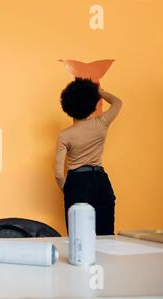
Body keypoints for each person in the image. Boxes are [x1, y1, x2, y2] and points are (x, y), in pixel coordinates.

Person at [55, 78, 122, 235]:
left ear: (67, 106)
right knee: (106, 237)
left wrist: (69, 190)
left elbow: (58, 174)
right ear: (93, 104)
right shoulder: (102, 124)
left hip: (77, 182)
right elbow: (118, 102)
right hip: (101, 181)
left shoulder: (65, 135)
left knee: (78, 237)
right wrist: (98, 91)